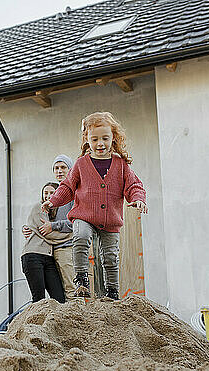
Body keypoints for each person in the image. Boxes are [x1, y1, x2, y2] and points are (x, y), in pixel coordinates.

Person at [42, 112, 147, 300]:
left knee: (110, 257)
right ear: (87, 140)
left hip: (111, 220)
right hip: (85, 215)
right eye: (95, 139)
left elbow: (134, 185)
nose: (100, 144)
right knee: (80, 236)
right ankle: (82, 280)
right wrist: (53, 201)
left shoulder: (121, 164)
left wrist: (138, 198)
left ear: (113, 138)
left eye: (105, 138)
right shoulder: (81, 164)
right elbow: (67, 187)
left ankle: (112, 291)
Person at [22, 154, 75, 300]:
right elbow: (42, 230)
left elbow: (76, 222)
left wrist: (53, 226)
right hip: (45, 253)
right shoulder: (45, 207)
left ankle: (75, 320)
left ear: (70, 169)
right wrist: (28, 228)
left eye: (63, 167)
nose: (59, 171)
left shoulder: (73, 195)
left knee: (69, 290)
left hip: (65, 249)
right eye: (56, 168)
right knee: (45, 297)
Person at [21, 182, 67, 303]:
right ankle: (35, 322)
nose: (48, 195)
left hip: (48, 257)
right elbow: (49, 235)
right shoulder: (39, 207)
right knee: (39, 299)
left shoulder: (53, 213)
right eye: (45, 193)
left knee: (59, 299)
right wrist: (72, 235)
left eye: (51, 193)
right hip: (33, 256)